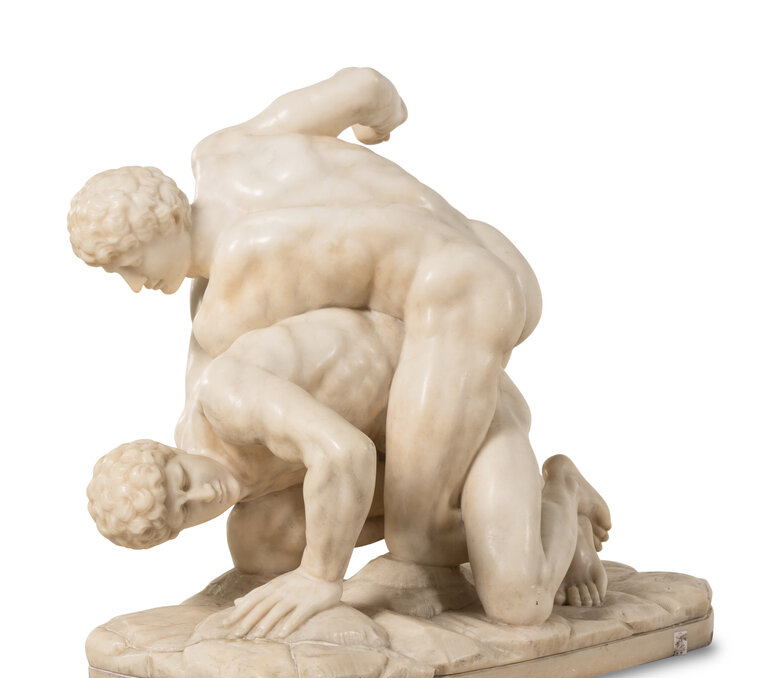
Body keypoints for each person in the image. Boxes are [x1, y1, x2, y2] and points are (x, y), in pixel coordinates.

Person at [68, 67, 544, 574]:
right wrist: (374, 127)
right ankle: (480, 493)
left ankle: (536, 512)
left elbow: (241, 378)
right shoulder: (223, 152)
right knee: (287, 523)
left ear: (163, 223)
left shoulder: (231, 301)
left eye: (129, 265)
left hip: (462, 300)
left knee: (421, 540)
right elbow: (367, 88)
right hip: (491, 247)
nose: (134, 285)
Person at [88, 307, 611, 640]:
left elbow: (346, 454)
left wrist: (320, 576)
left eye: (183, 481)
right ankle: (496, 532)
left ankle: (562, 493)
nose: (204, 494)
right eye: (186, 512)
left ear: (169, 450)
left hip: (458, 401)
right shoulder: (246, 516)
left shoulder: (226, 399)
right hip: (405, 460)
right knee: (260, 547)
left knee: (520, 603)